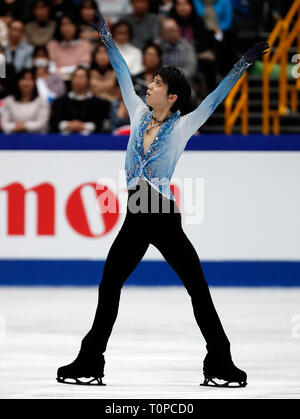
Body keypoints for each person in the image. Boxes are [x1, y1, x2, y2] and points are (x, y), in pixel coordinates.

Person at [57, 5, 269, 387]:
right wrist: (105, 34)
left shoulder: (185, 125)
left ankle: (220, 361)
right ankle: (90, 361)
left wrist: (241, 64)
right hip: (136, 214)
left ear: (171, 97)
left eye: (155, 83)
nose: (147, 85)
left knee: (196, 288)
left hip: (162, 215)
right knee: (109, 285)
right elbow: (122, 70)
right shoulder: (137, 113)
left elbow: (216, 98)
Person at [49, 66, 111, 134]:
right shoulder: (60, 101)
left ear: (88, 80)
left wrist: (84, 126)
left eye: (82, 77)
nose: (78, 80)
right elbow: (53, 122)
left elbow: (101, 124)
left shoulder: (97, 103)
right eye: (76, 77)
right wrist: (68, 125)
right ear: (72, 79)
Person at [1, 68, 50, 134]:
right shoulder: (8, 100)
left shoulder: (42, 101)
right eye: (23, 79)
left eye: (30, 79)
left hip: (37, 138)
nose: (26, 83)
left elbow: (42, 123)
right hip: (12, 137)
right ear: (18, 81)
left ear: (34, 82)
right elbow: (4, 124)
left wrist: (25, 126)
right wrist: (15, 127)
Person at [47, 14, 92, 81]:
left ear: (76, 26)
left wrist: (61, 70)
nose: (67, 28)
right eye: (63, 24)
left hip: (78, 81)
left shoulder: (85, 44)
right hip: (58, 81)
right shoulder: (52, 45)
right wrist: (72, 69)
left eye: (70, 24)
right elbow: (52, 69)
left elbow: (84, 67)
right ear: (59, 27)